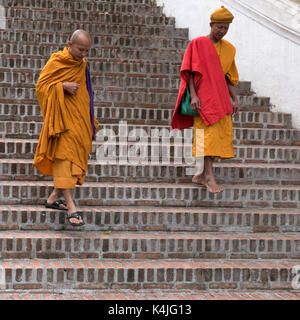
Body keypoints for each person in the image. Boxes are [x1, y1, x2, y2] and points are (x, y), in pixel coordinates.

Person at [33, 29, 98, 226]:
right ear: (69, 45)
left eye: (87, 51)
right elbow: (41, 87)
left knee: (75, 157)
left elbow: (87, 91)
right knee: (64, 158)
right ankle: (71, 206)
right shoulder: (56, 61)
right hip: (62, 121)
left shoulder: (82, 64)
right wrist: (61, 86)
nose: (83, 54)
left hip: (79, 118)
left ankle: (53, 198)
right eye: (80, 49)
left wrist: (91, 116)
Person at [171, 6, 239, 193]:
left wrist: (235, 99)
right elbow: (190, 72)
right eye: (219, 27)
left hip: (221, 98)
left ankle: (201, 174)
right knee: (205, 137)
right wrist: (193, 95)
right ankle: (209, 177)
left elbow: (228, 77)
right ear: (211, 25)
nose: (222, 31)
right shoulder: (198, 43)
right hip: (202, 99)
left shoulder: (229, 50)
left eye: (226, 28)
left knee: (217, 138)